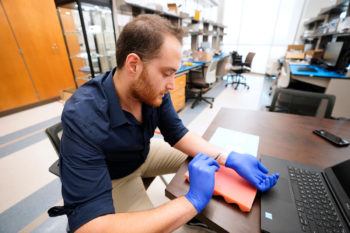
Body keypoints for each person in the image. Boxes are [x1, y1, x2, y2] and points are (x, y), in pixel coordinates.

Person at [59, 14, 279, 232]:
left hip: (144, 153)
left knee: (213, 167)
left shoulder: (151, 91)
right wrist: (191, 201)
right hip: (115, 177)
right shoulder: (83, 114)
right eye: (167, 73)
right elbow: (89, 227)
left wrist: (227, 158)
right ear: (133, 65)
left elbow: (177, 133)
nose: (172, 85)